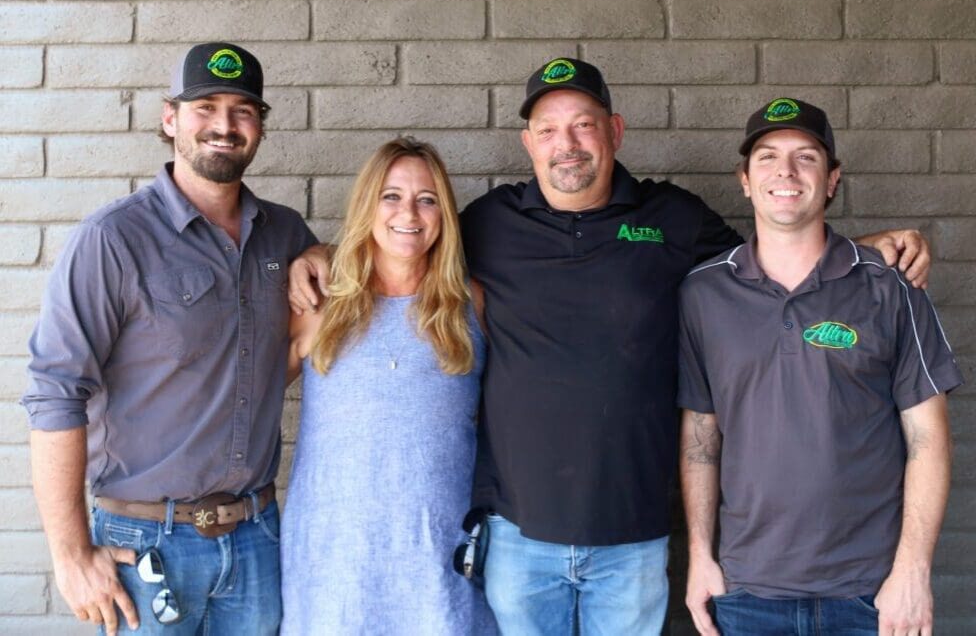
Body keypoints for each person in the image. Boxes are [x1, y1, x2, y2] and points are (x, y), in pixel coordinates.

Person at [288, 59, 932, 634]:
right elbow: (403, 237)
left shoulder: (673, 219)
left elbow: (771, 258)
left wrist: (865, 249)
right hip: (518, 536)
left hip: (634, 537)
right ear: (528, 144)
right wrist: (317, 256)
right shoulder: (487, 224)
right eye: (548, 129)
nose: (566, 145)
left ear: (615, 131)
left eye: (584, 125)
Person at [23, 42, 317, 635]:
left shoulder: (283, 233)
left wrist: (323, 252)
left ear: (259, 126)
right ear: (170, 118)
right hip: (145, 546)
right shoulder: (113, 240)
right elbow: (55, 394)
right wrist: (71, 554)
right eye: (205, 106)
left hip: (256, 538)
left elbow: (270, 357)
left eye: (242, 110)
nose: (224, 125)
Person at [678, 98, 962, 636]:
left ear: (832, 179)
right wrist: (700, 555)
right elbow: (700, 435)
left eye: (806, 157)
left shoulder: (891, 286)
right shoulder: (703, 293)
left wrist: (912, 572)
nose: (785, 172)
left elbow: (929, 439)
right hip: (747, 590)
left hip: (871, 593)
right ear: (744, 179)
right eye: (767, 157)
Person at [281, 137, 497, 634]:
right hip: (334, 557)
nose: (410, 213)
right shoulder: (320, 301)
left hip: (440, 551)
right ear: (367, 205)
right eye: (391, 196)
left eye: (427, 199)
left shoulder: (473, 304)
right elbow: (245, 400)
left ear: (444, 213)